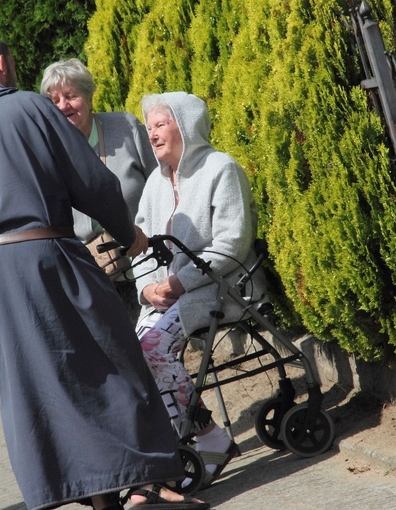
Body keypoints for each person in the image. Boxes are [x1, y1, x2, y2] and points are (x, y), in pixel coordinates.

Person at [0, 35, 208, 510]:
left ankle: (101, 499)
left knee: (45, 392)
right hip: (51, 257)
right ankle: (140, 482)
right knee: (111, 364)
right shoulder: (30, 109)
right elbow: (93, 181)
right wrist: (128, 233)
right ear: (3, 63)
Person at [134, 92, 267, 487]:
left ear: (185, 124)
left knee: (152, 347)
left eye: (160, 124)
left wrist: (178, 282)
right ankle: (186, 443)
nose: (152, 133)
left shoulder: (220, 169)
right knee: (128, 355)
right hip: (168, 298)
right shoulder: (154, 184)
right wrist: (147, 291)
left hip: (217, 289)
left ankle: (205, 436)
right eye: (149, 126)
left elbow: (231, 243)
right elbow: (139, 246)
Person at [40, 58, 157, 321]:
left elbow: (159, 181)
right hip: (94, 274)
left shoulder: (125, 127)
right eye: (55, 100)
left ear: (90, 97)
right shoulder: (49, 153)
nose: (63, 106)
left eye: (71, 96)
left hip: (146, 262)